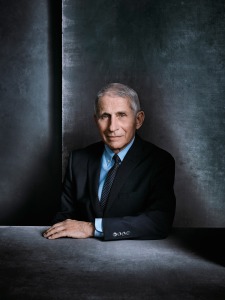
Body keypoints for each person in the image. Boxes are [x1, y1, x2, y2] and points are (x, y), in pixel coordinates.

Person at [43, 83, 176, 241]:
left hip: (136, 259)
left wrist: (93, 228)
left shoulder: (159, 161)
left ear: (138, 120)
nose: (112, 127)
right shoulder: (77, 160)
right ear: (96, 120)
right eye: (105, 116)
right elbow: (63, 220)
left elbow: (159, 222)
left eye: (121, 115)